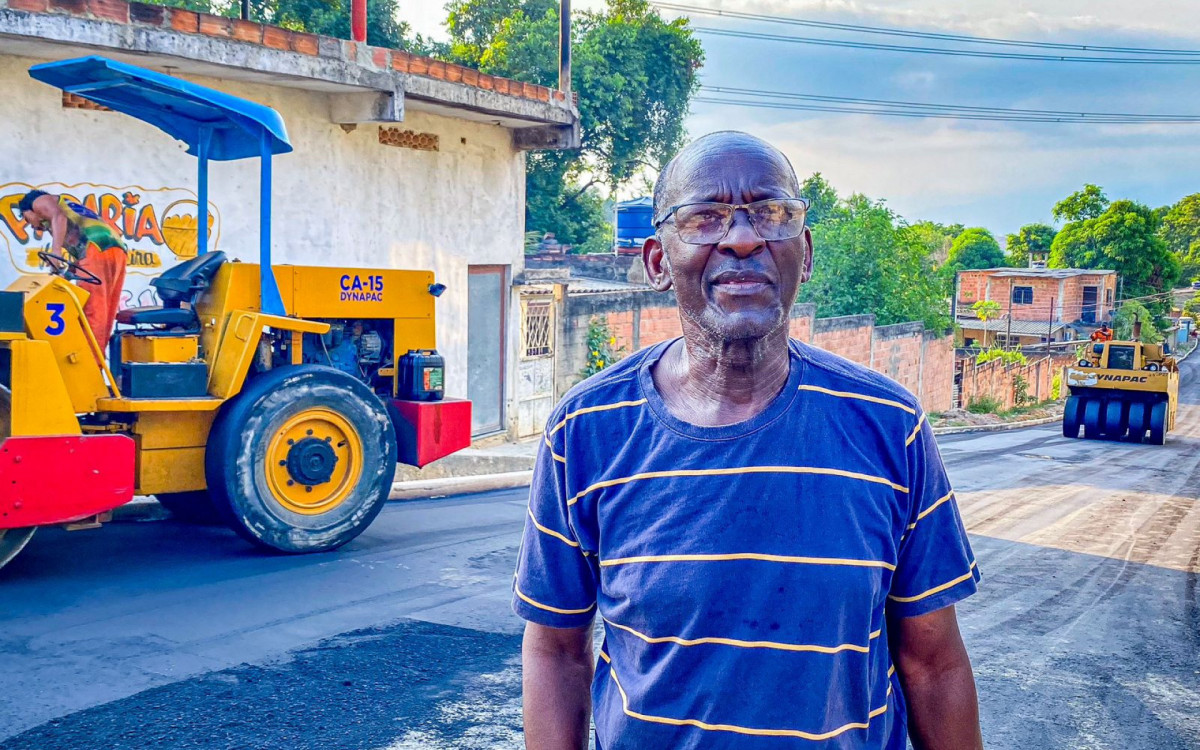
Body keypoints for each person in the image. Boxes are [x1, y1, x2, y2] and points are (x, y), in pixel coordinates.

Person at [514, 132, 983, 750]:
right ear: (657, 260)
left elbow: (934, 663)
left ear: (805, 252)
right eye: (704, 217)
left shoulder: (889, 426)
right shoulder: (587, 432)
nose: (741, 238)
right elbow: (556, 650)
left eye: (772, 213)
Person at [19, 189, 127, 352]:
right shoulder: (64, 212)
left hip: (96, 247)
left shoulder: (38, 201)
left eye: (27, 219)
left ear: (28, 210)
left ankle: (88, 363)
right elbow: (79, 249)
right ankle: (97, 361)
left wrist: (56, 252)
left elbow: (59, 216)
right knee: (105, 313)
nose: (34, 226)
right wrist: (69, 272)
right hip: (115, 248)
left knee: (92, 311)